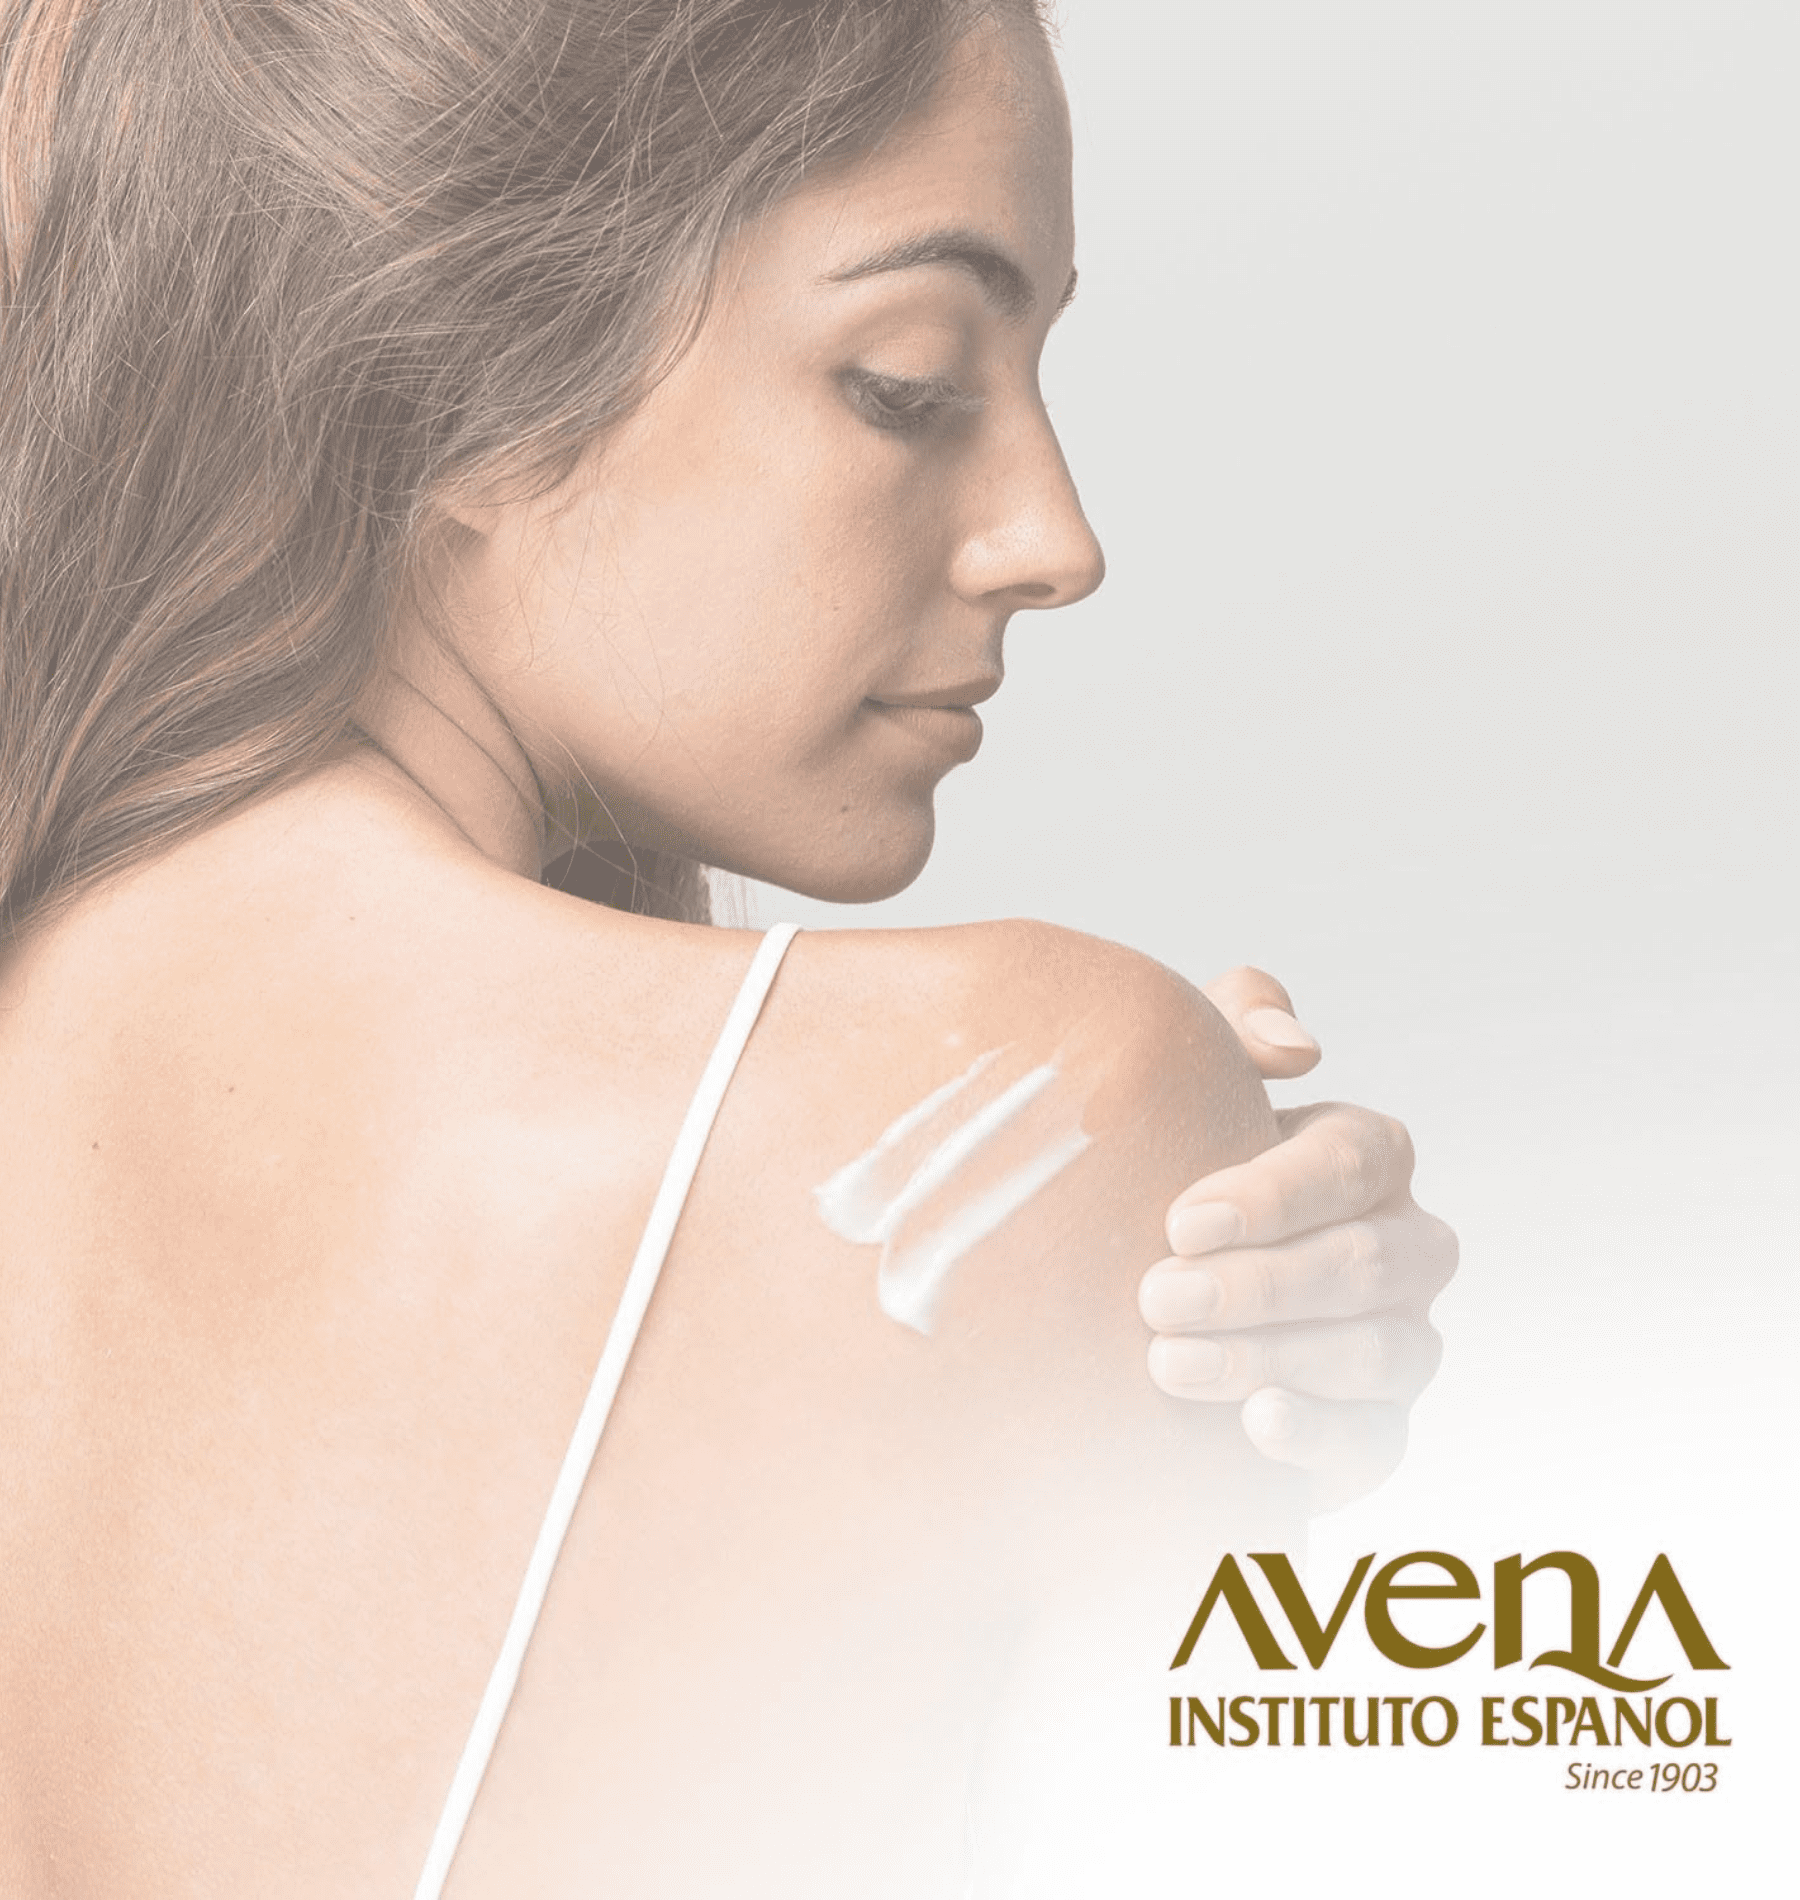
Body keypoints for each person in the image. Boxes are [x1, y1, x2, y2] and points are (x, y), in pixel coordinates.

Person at [0, 0, 1455, 1891]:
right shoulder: (1020, 1116)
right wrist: (1233, 1425)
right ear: (450, 368)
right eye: (910, 383)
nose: (1055, 536)